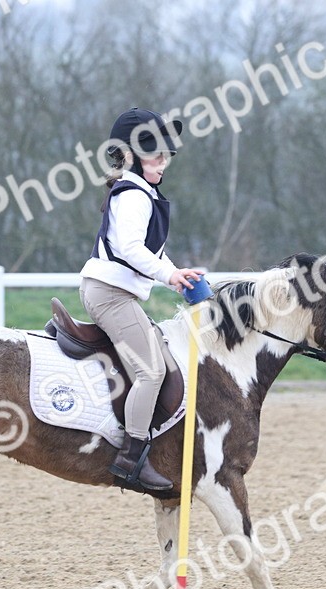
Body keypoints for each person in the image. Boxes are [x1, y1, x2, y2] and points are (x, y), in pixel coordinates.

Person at [80, 107, 204, 491]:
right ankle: (131, 458)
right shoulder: (133, 195)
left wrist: (175, 274)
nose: (164, 162)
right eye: (156, 154)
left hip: (114, 292)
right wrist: (168, 274)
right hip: (110, 295)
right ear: (131, 155)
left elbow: (149, 250)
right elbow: (130, 248)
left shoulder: (141, 191)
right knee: (151, 372)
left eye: (167, 155)